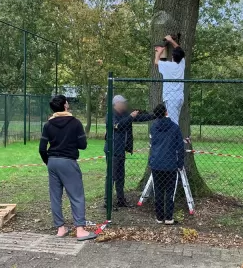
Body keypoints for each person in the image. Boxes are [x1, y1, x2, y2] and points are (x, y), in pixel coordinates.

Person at [39, 95, 96, 241]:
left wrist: (48, 162)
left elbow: (41, 148)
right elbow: (83, 145)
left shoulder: (48, 125)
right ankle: (80, 230)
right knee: (76, 195)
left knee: (55, 197)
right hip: (68, 162)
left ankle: (60, 228)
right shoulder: (75, 123)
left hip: (52, 162)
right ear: (65, 105)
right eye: (67, 102)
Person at [105, 95, 156, 207]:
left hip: (121, 150)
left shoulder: (124, 114)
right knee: (112, 176)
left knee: (120, 176)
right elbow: (117, 126)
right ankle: (107, 201)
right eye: (123, 103)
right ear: (116, 104)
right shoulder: (111, 115)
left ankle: (121, 200)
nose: (125, 105)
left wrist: (155, 115)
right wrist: (130, 117)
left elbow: (139, 118)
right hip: (113, 150)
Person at [148, 103, 186, 224]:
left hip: (156, 164)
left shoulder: (153, 127)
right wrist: (180, 163)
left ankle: (159, 217)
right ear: (166, 112)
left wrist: (151, 160)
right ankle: (169, 217)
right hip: (170, 165)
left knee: (158, 191)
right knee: (170, 191)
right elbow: (180, 147)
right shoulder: (174, 127)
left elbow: (152, 145)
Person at [155, 34, 186, 125]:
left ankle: (176, 139)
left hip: (171, 98)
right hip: (179, 97)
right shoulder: (182, 64)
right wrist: (171, 40)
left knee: (173, 122)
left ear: (172, 56)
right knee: (174, 119)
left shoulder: (168, 66)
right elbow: (180, 51)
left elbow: (156, 62)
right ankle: (177, 138)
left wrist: (159, 52)